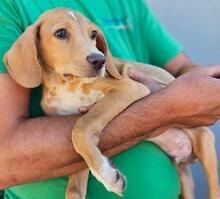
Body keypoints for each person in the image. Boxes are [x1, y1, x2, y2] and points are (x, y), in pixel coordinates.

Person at [0, 0, 220, 199]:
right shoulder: (11, 6)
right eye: (61, 34)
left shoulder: (128, 3)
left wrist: (207, 84)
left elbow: (182, 70)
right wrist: (165, 109)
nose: (95, 54)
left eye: (93, 36)